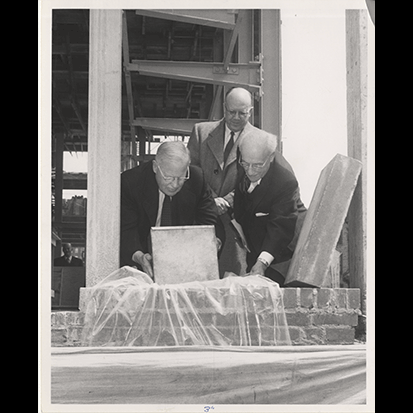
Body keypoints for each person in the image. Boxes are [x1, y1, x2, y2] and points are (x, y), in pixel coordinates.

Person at [120, 140, 225, 279]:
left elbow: (210, 220)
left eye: (181, 177)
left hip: (184, 261)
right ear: (155, 167)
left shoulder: (197, 178)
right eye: (168, 177)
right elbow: (126, 229)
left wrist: (211, 242)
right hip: (142, 261)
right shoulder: (131, 182)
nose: (175, 185)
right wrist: (139, 256)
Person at [187, 87, 260, 276]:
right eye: (231, 112)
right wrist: (211, 199)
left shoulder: (259, 141)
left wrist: (227, 201)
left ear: (250, 111)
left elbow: (256, 182)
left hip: (235, 227)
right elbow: (190, 172)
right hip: (200, 220)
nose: (236, 117)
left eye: (242, 113)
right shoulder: (200, 132)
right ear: (223, 108)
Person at [233, 130, 307, 286]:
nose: (250, 171)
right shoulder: (245, 163)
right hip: (255, 246)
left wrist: (262, 262)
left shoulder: (285, 182)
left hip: (282, 255)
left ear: (271, 157)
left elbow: (280, 228)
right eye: (245, 164)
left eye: (258, 166)